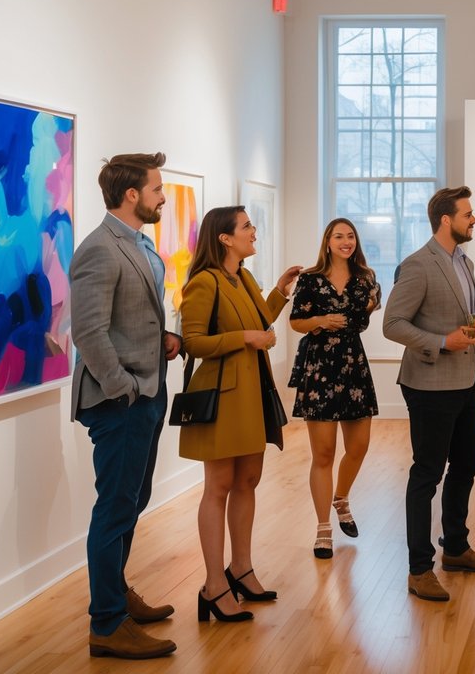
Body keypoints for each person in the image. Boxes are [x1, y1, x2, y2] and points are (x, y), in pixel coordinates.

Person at [70, 152, 180, 659]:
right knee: (114, 508)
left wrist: (166, 337)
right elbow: (88, 332)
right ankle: (107, 623)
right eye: (157, 188)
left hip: (146, 392)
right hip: (121, 400)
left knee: (131, 503)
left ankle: (116, 593)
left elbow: (135, 316)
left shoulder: (138, 244)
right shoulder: (99, 248)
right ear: (132, 194)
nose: (162, 195)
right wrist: (123, 387)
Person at [179, 206, 301, 623]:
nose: (254, 232)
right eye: (247, 226)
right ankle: (214, 585)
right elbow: (193, 342)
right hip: (223, 396)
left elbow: (258, 320)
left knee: (248, 480)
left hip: (251, 393)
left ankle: (241, 569)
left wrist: (280, 294)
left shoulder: (244, 277)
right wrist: (244, 338)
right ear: (225, 239)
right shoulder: (203, 282)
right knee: (219, 485)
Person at [383, 186, 475, 603]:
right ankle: (419, 569)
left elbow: (462, 320)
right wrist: (440, 341)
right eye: (468, 214)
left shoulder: (464, 261)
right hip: (429, 384)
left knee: (468, 461)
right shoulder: (417, 265)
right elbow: (393, 324)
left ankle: (455, 548)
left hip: (466, 380)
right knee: (427, 473)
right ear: (446, 220)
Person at [288, 218, 382, 560]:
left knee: (359, 446)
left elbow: (362, 320)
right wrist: (319, 322)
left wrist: (370, 305)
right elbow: (296, 320)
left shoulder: (366, 280)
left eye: (351, 236)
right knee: (323, 453)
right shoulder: (310, 279)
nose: (346, 241)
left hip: (353, 365)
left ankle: (341, 496)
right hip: (320, 368)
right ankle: (323, 529)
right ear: (327, 241)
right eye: (339, 236)